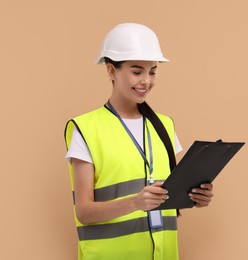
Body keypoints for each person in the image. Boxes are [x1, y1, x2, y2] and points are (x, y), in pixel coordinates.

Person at [64, 23, 214, 260]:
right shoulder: (86, 129)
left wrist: (195, 198)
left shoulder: (164, 125)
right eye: (137, 71)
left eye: (152, 71)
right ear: (112, 71)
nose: (146, 81)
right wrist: (134, 203)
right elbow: (84, 212)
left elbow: (169, 195)